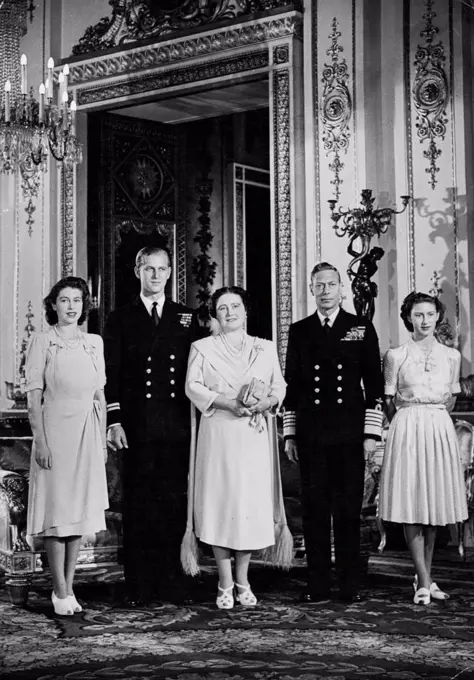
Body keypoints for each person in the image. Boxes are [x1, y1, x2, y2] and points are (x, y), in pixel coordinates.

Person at [182, 286, 292, 609]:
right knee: (221, 504)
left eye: (235, 306)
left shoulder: (265, 348)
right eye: (223, 307)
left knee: (248, 507)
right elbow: (193, 386)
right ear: (215, 313)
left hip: (253, 436)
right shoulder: (201, 348)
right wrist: (228, 402)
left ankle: (243, 579)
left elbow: (279, 386)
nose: (229, 312)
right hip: (219, 434)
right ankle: (224, 581)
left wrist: (267, 402)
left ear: (246, 311)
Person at [283, 262, 384, 603]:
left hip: (349, 433)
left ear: (342, 288)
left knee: (347, 511)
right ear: (311, 290)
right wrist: (290, 434)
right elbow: (292, 386)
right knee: (313, 511)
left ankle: (349, 583)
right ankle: (318, 583)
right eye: (319, 285)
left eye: (331, 284)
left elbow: (374, 385)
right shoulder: (300, 330)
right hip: (312, 433)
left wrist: (371, 434)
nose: (325, 291)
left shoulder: (360, 327)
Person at [104, 245, 199, 605]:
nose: (156, 275)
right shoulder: (120, 318)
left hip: (176, 426)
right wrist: (114, 420)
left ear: (171, 272)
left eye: (162, 269)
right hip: (137, 425)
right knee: (140, 504)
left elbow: (198, 370)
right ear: (137, 271)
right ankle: (139, 583)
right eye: (149, 269)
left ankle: (172, 579)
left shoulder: (186, 317)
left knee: (174, 504)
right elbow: (111, 373)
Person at [25, 276, 108, 616]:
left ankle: (69, 588)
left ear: (84, 305)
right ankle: (59, 590)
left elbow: (100, 395)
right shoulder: (42, 341)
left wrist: (101, 441)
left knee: (77, 517)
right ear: (53, 305)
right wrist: (40, 441)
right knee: (57, 515)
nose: (71, 306)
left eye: (77, 300)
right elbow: (33, 397)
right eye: (64, 300)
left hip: (86, 433)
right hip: (54, 432)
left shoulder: (94, 342)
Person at [378, 292, 468, 605]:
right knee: (412, 501)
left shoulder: (452, 356)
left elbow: (453, 398)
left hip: (438, 426)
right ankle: (423, 579)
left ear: (437, 316)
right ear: (409, 318)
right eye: (418, 315)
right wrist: (406, 421)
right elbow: (389, 399)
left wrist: (433, 416)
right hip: (407, 427)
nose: (425, 321)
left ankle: (425, 578)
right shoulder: (396, 355)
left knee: (433, 504)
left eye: (430, 314)